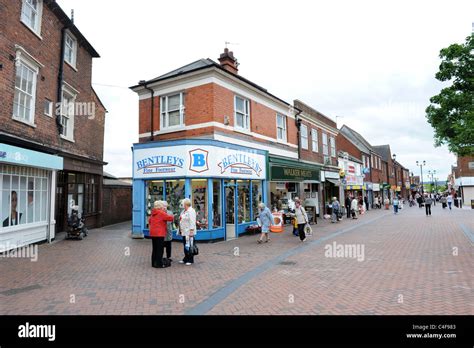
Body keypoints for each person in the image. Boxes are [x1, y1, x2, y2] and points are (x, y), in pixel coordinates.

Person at [148, 201, 174, 268]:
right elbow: (171, 218)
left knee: (154, 249)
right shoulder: (161, 213)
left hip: (153, 233)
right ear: (160, 206)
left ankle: (153, 263)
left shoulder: (153, 213)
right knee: (160, 249)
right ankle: (159, 264)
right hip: (159, 233)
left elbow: (150, 221)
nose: (163, 207)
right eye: (162, 206)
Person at [178, 198, 197, 265]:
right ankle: (186, 258)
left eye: (182, 204)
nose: (182, 205)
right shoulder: (183, 211)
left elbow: (192, 221)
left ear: (186, 204)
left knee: (189, 245)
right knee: (185, 245)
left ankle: (190, 259)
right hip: (184, 231)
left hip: (189, 232)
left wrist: (191, 231)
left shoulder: (191, 211)